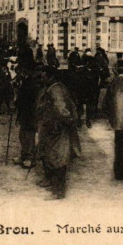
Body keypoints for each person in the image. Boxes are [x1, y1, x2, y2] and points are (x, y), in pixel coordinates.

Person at [34, 66, 80, 199]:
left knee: (58, 158)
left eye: (44, 76)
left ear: (51, 77)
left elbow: (62, 109)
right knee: (51, 155)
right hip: (52, 127)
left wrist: (68, 121)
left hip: (57, 128)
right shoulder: (55, 88)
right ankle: (52, 183)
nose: (42, 79)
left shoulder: (56, 90)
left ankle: (58, 191)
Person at [14, 67, 38, 168]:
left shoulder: (32, 84)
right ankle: (23, 156)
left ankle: (30, 158)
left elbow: (31, 100)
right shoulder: (23, 83)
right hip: (24, 113)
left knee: (30, 136)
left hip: (31, 114)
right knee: (22, 135)